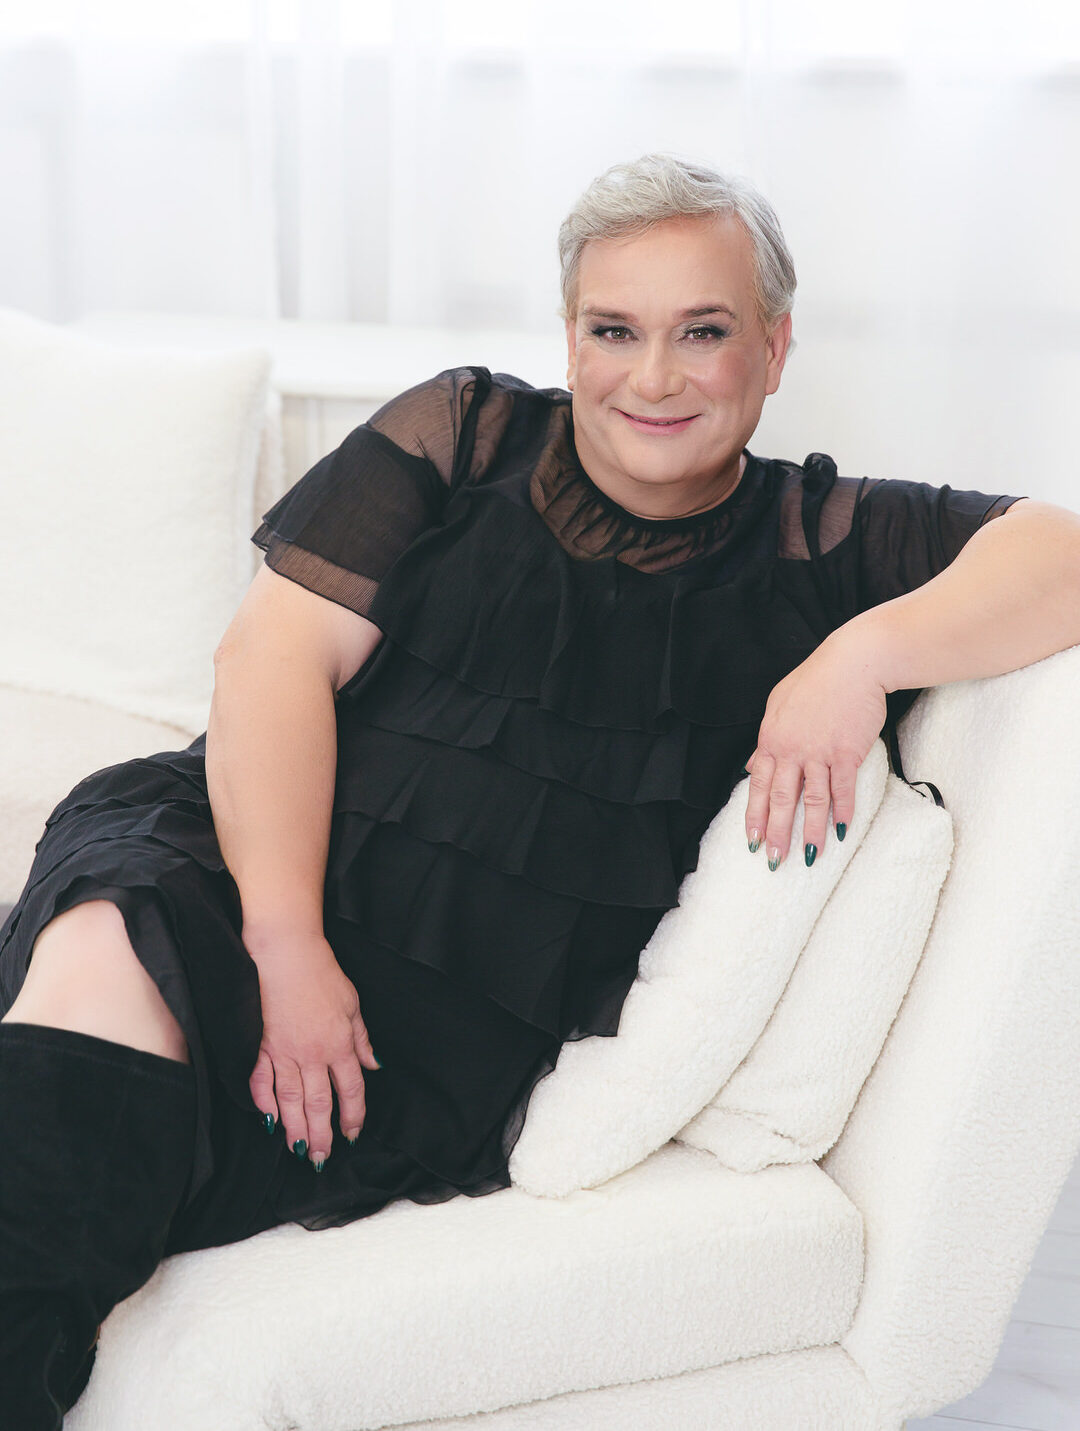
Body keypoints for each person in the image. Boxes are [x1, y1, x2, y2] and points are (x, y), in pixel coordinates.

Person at [2, 150, 1079, 1427]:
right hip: (243, 866)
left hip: (445, 1007)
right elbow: (270, 663)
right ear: (570, 335)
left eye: (705, 333)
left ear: (777, 349)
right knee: (95, 980)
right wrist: (285, 946)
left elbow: (1060, 551)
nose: (655, 376)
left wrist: (862, 654)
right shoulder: (463, 435)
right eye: (614, 329)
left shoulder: (822, 540)